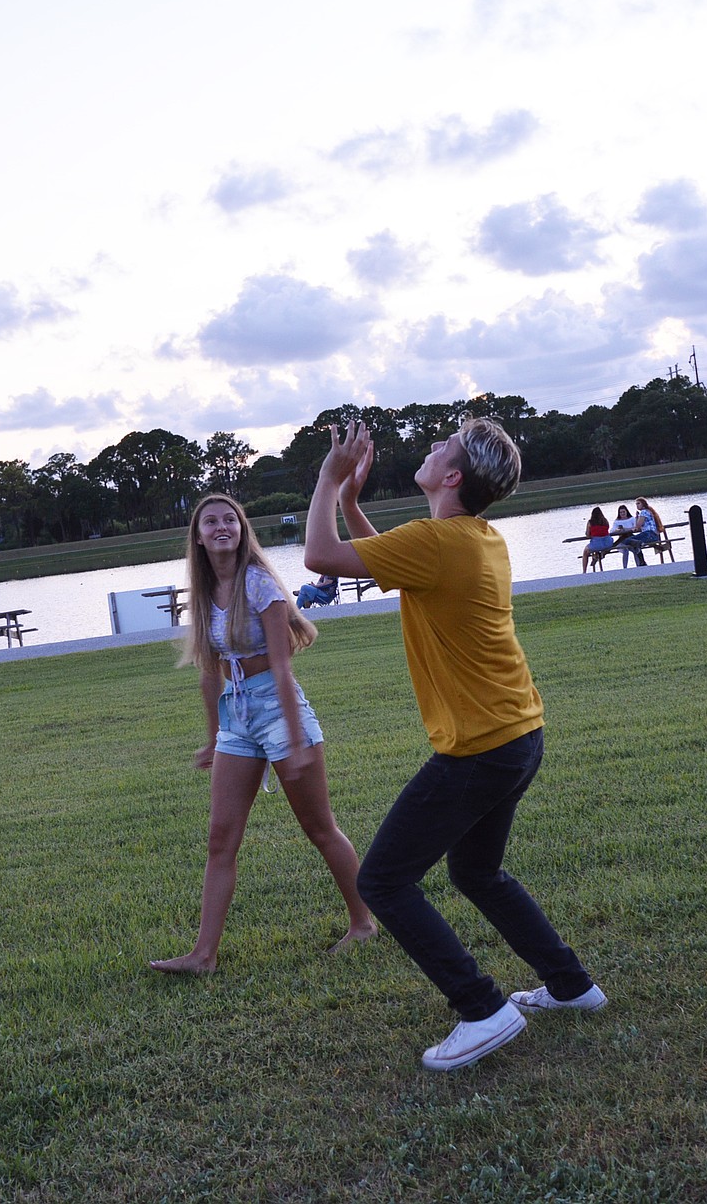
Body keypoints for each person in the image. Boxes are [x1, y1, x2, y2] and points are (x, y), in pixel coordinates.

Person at [304, 418, 606, 1071]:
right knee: (476, 871)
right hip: (519, 733)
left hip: (479, 747)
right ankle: (572, 985)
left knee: (382, 879)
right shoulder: (476, 540)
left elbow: (319, 558)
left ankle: (482, 1008)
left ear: (452, 476)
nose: (430, 448)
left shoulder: (437, 544)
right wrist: (353, 503)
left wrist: (328, 481)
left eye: (442, 447)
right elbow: (389, 559)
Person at [150, 494, 376, 974]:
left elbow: (281, 665)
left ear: (242, 529)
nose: (221, 527)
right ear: (198, 536)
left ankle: (363, 923)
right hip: (238, 718)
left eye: (229, 519)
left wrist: (293, 739)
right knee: (220, 839)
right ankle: (203, 955)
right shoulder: (204, 591)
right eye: (210, 521)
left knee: (319, 828)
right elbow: (209, 673)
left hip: (278, 709)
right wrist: (214, 738)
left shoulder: (260, 584)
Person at [622, 497, 663, 567]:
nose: (637, 505)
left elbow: (638, 526)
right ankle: (642, 561)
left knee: (626, 541)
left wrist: (637, 518)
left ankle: (641, 556)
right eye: (636, 504)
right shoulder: (649, 511)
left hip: (648, 534)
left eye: (638, 503)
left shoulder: (643, 512)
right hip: (654, 535)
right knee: (634, 542)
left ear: (643, 504)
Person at [581, 506, 613, 573]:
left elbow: (587, 534)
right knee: (598, 549)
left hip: (597, 543)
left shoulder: (590, 522)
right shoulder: (605, 521)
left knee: (585, 552)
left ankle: (584, 571)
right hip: (608, 542)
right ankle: (597, 556)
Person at [609, 504, 637, 569]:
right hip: (621, 541)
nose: (622, 513)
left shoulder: (632, 519)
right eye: (621, 512)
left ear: (626, 511)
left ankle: (639, 566)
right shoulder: (617, 521)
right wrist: (618, 530)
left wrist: (627, 529)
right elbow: (612, 531)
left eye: (623, 512)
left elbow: (636, 527)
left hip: (631, 538)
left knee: (636, 549)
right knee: (625, 550)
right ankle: (625, 568)